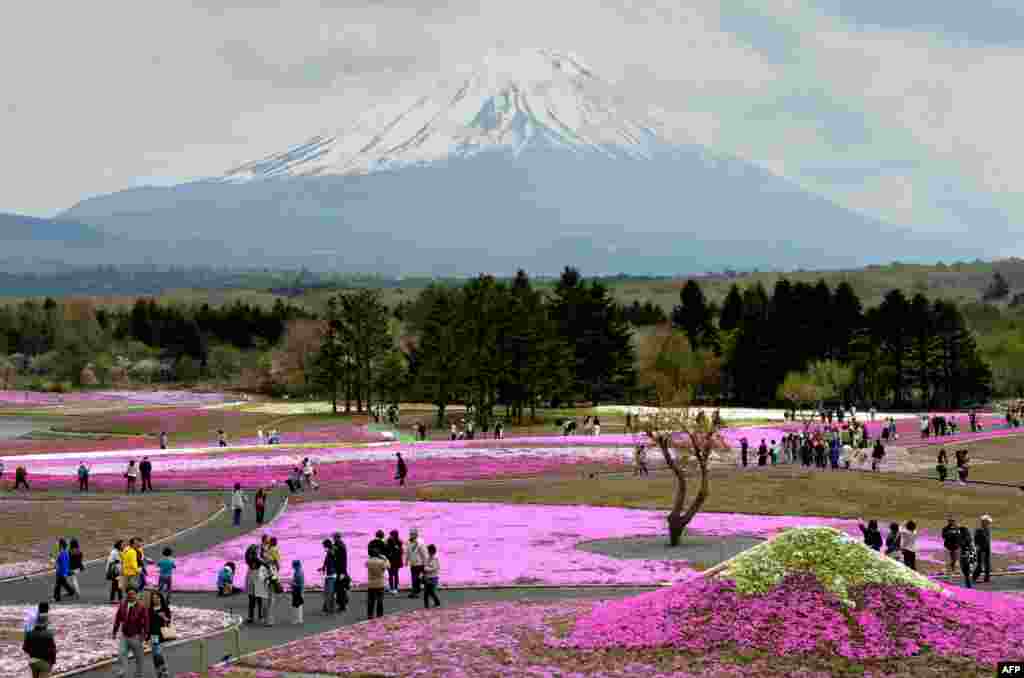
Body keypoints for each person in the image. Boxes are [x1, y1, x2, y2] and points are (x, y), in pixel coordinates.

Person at [112, 588, 149, 678]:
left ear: (136, 595)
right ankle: (122, 671)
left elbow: (146, 621)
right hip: (124, 635)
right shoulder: (122, 605)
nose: (131, 596)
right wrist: (115, 631)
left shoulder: (141, 607)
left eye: (133, 594)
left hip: (136, 635)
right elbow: (118, 618)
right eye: (129, 594)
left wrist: (146, 634)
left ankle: (138, 673)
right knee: (121, 653)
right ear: (126, 595)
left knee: (138, 657)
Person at [146, 589, 172, 678]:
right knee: (155, 654)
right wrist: (147, 636)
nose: (155, 600)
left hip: (161, 634)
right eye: (153, 598)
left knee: (158, 653)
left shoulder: (165, 608)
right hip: (154, 635)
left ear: (160, 599)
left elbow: (169, 621)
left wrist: (164, 617)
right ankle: (159, 672)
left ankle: (164, 670)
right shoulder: (150, 610)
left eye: (157, 598)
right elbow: (148, 623)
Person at [23, 609, 56, 678]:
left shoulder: (30, 633)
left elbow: (25, 648)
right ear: (45, 624)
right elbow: (53, 650)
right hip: (44, 662)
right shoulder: (48, 635)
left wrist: (33, 653)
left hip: (32, 661)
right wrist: (51, 663)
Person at [366, 545, 389, 619]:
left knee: (370, 600)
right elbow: (388, 566)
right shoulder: (381, 562)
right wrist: (385, 559)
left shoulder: (369, 561)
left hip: (371, 583)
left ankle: (370, 614)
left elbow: (366, 564)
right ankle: (379, 614)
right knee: (380, 600)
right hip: (380, 583)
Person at [406, 529, 427, 598]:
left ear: (416, 534)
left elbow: (424, 553)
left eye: (412, 534)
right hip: (413, 563)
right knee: (414, 578)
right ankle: (416, 591)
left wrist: (425, 563)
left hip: (419, 563)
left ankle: (415, 592)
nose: (411, 535)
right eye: (410, 534)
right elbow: (408, 552)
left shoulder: (420, 542)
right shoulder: (409, 542)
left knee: (416, 578)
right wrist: (406, 560)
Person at [318, 539, 337, 614]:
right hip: (329, 574)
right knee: (328, 592)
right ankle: (327, 608)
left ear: (327, 545)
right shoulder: (329, 552)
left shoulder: (331, 552)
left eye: (324, 546)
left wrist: (330, 551)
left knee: (329, 593)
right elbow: (326, 562)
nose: (323, 548)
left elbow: (332, 560)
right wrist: (322, 568)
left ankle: (330, 609)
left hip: (331, 575)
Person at [331, 533, 349, 613]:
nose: (333, 539)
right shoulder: (338, 545)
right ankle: (341, 604)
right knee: (339, 588)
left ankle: (343, 605)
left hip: (341, 571)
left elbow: (342, 560)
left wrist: (342, 572)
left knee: (340, 589)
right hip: (339, 570)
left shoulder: (340, 546)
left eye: (334, 538)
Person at [973, 515, 992, 584]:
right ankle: (974, 578)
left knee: (987, 564)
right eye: (987, 522)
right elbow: (975, 540)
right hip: (981, 549)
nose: (989, 523)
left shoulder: (988, 529)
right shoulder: (979, 530)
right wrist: (977, 547)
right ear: (983, 522)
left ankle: (987, 578)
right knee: (980, 565)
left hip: (987, 548)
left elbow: (988, 539)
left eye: (988, 522)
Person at [423, 544, 441, 609]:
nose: (428, 552)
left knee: (432, 591)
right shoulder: (427, 558)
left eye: (429, 551)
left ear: (433, 551)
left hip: (434, 577)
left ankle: (437, 603)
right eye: (428, 551)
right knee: (426, 592)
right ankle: (426, 606)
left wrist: (427, 568)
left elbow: (436, 568)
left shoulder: (436, 558)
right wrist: (426, 570)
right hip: (427, 577)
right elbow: (424, 566)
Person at [386, 529, 404, 594]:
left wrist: (397, 549)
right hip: (391, 560)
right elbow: (386, 550)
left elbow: (401, 552)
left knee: (395, 574)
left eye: (391, 535)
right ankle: (392, 587)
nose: (390, 536)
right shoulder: (388, 541)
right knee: (391, 575)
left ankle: (395, 588)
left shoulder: (399, 542)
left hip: (396, 560)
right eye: (390, 535)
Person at [291, 560, 305, 625]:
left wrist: (292, 583)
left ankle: (296, 619)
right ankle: (300, 619)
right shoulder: (300, 572)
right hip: (299, 590)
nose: (292, 567)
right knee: (299, 606)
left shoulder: (298, 573)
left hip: (297, 591)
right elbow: (302, 584)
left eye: (293, 565)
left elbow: (299, 584)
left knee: (296, 606)